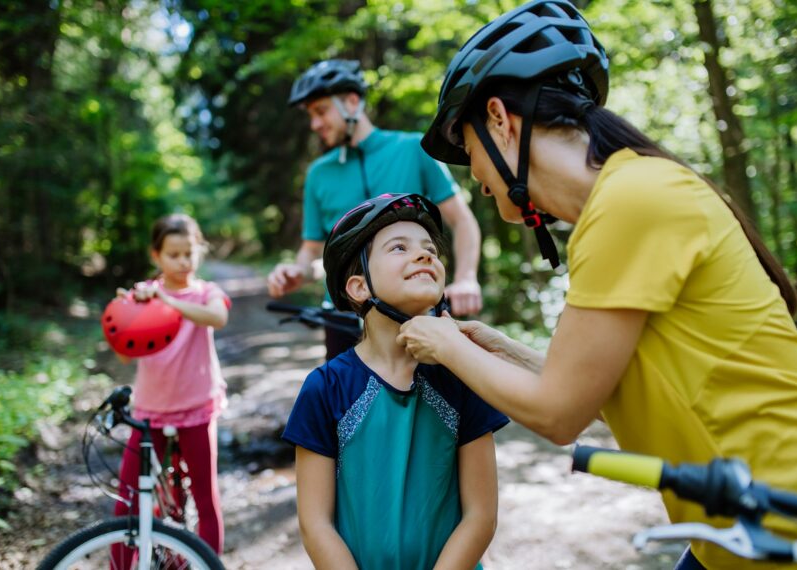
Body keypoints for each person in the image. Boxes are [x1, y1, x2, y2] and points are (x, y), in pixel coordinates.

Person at [397, 1, 797, 569]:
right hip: (735, 530)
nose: (474, 178)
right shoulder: (624, 200)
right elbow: (597, 393)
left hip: (793, 522)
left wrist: (446, 345)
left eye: (469, 151)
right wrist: (497, 350)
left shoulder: (631, 202)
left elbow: (560, 415)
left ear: (499, 119)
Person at [282, 193, 508, 569]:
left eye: (430, 249)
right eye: (399, 247)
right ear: (358, 287)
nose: (425, 255)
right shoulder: (325, 388)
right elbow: (315, 524)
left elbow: (481, 516)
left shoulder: (464, 374)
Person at [267, 58, 484, 360]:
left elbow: (462, 221)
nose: (315, 124)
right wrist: (298, 271)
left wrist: (466, 278)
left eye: (321, 111)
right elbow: (313, 251)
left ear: (352, 102)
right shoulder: (318, 174)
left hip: (417, 313)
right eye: (311, 116)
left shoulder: (413, 150)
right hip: (343, 318)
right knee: (345, 405)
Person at [111, 213, 229, 562]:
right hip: (150, 411)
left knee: (205, 499)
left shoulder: (207, 292)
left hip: (197, 408)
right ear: (156, 256)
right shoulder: (143, 296)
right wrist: (125, 313)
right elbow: (121, 355)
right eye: (173, 255)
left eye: (188, 253)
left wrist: (169, 301)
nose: (182, 262)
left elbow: (217, 318)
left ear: (199, 251)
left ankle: (205, 563)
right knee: (127, 499)